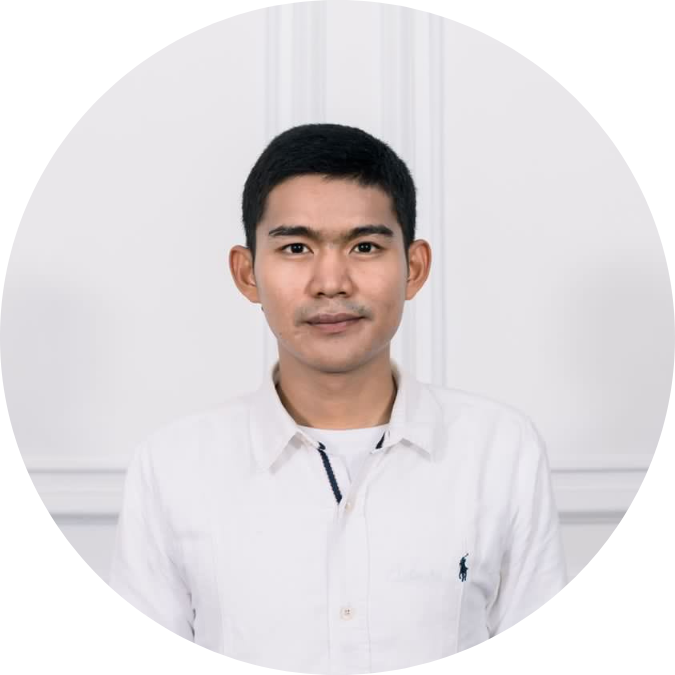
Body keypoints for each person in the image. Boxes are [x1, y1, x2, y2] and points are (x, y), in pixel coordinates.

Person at [108, 123, 568, 672]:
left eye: (365, 246)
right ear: (247, 273)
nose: (331, 282)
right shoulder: (174, 464)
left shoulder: (500, 449)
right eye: (296, 248)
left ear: (414, 267)